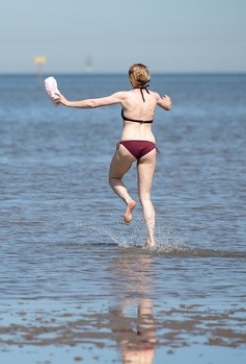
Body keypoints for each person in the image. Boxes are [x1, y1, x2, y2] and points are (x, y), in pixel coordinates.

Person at [53, 63, 172, 247]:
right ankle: (152, 240)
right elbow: (166, 105)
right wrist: (167, 103)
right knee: (146, 197)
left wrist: (67, 102)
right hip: (149, 146)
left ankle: (128, 200)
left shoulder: (124, 95)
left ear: (132, 78)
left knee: (114, 177)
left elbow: (92, 103)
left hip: (128, 144)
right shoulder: (154, 96)